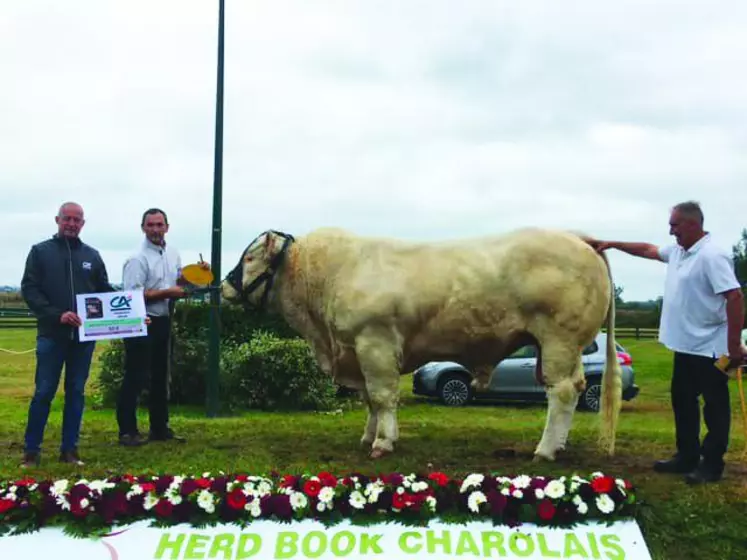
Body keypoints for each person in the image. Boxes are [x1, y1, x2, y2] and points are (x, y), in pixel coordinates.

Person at [588, 201, 744, 484]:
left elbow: (734, 297)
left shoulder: (712, 256)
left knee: (714, 407)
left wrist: (734, 345)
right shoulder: (679, 252)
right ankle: (686, 456)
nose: (671, 231)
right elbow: (648, 249)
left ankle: (711, 465)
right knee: (683, 402)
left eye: (675, 225)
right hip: (683, 346)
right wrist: (611, 244)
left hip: (710, 347)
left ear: (693, 224)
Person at [20, 202, 114, 467]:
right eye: (67, 219)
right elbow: (30, 290)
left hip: (83, 338)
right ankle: (31, 450)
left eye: (77, 220)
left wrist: (134, 312)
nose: (71, 224)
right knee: (44, 392)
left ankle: (69, 449)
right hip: (51, 335)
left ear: (83, 223)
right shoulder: (40, 252)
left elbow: (105, 291)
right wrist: (56, 314)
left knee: (76, 391)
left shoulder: (92, 256)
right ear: (57, 220)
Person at [116, 208, 199, 446]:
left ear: (167, 227)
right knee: (136, 376)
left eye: (159, 224)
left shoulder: (172, 253)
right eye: (150, 225)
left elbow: (179, 280)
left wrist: (197, 274)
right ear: (143, 228)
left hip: (163, 320)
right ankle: (127, 431)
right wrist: (167, 293)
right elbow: (131, 296)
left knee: (161, 376)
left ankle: (159, 428)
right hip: (141, 322)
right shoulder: (137, 258)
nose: (155, 229)